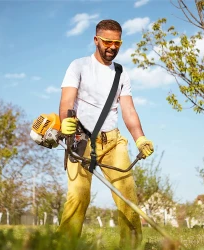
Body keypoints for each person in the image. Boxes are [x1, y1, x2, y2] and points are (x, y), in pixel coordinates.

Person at [57, 19, 154, 249]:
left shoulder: (121, 73)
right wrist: (65, 123)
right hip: (81, 139)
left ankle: (131, 246)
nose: (112, 46)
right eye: (107, 41)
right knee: (79, 196)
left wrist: (140, 138)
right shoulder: (78, 66)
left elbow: (128, 110)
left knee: (127, 193)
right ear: (96, 40)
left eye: (117, 42)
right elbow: (66, 101)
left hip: (112, 141)